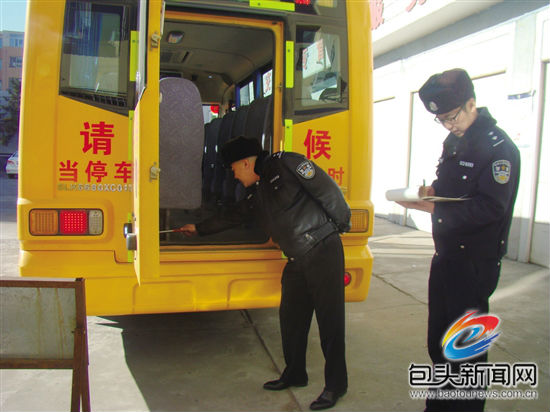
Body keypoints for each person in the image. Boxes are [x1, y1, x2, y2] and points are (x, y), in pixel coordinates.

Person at [179, 136, 351, 410]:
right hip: (296, 259)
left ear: (246, 162)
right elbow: (232, 216)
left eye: (234, 168)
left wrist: (342, 222)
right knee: (291, 320)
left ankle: (335, 386)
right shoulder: (256, 193)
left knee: (330, 323)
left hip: (322, 250)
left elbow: (325, 187)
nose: (234, 175)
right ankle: (295, 373)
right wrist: (198, 229)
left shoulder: (286, 163)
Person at [396, 68, 520, 411]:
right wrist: (429, 193)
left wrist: (432, 209)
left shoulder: (498, 148)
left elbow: (491, 208)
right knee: (439, 343)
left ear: (471, 103)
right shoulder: (455, 141)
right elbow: (448, 188)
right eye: (441, 120)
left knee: (465, 353)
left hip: (474, 264)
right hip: (446, 257)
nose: (449, 124)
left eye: (451, 116)